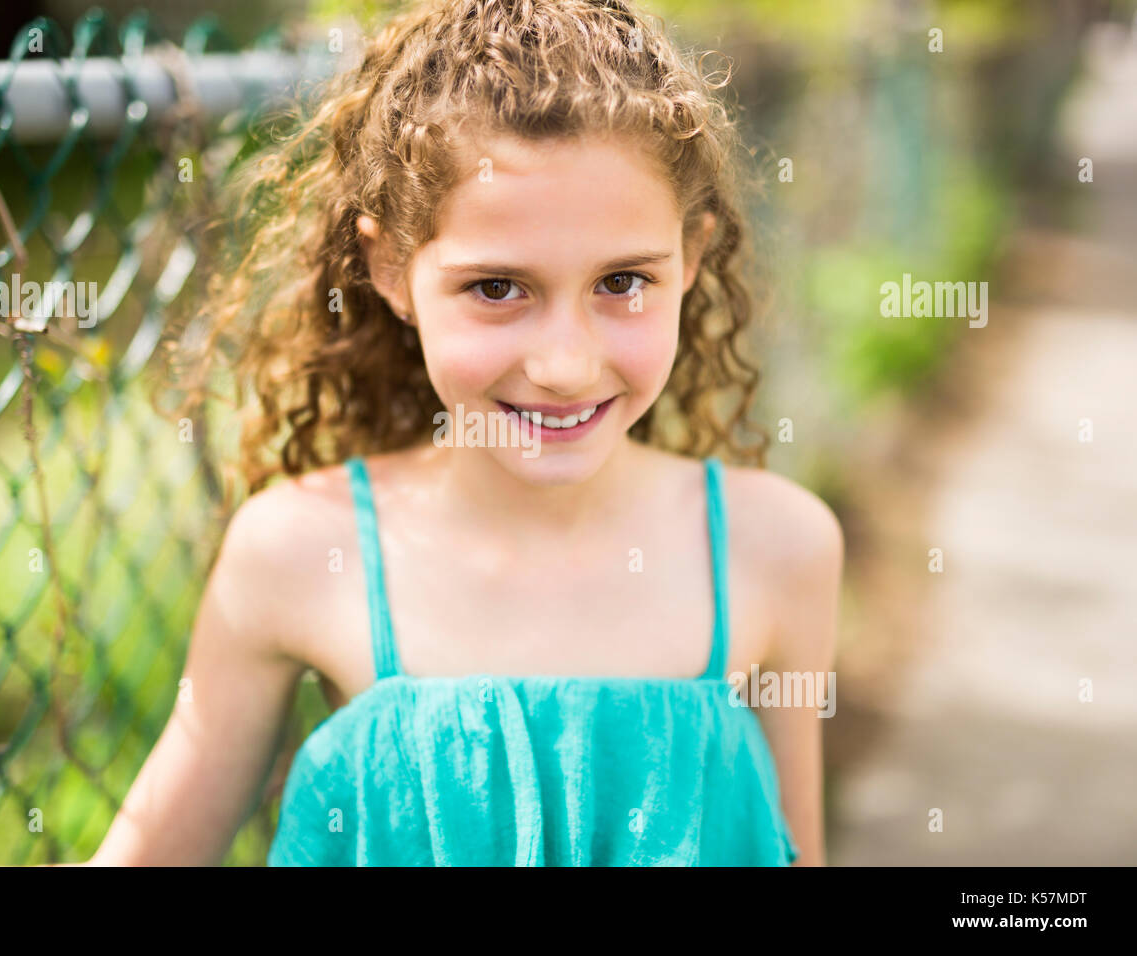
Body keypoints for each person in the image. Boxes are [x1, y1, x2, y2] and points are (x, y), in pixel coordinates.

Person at [90, 0, 843, 866]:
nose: (565, 363)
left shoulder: (778, 548)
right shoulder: (297, 549)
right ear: (389, 270)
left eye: (624, 281)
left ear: (693, 255)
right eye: (496, 288)